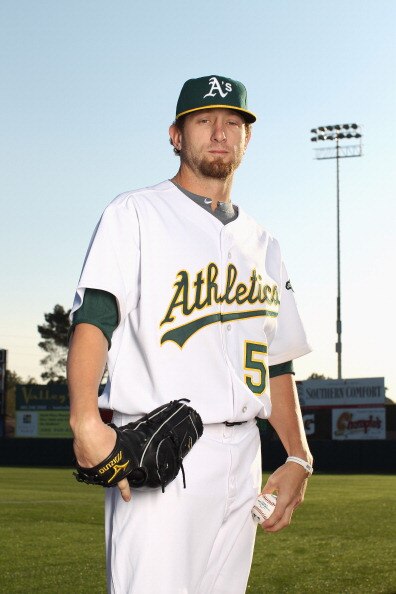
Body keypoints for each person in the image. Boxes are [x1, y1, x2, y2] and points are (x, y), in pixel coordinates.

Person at [67, 74, 313, 594]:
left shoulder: (265, 245)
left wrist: (298, 456)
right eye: (204, 120)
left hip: (245, 458)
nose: (220, 132)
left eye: (233, 122)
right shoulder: (135, 213)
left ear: (247, 139)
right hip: (161, 454)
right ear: (176, 136)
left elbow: (278, 363)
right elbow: (95, 319)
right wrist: (85, 419)